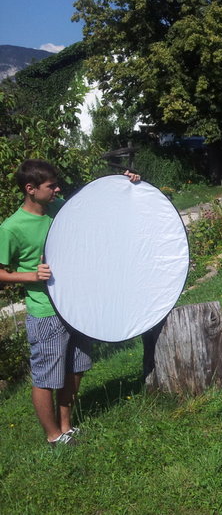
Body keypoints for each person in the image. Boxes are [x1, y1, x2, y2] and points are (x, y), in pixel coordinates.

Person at [0, 159, 141, 447]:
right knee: (46, 377)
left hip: (76, 307)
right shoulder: (12, 228)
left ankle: (66, 426)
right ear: (31, 189)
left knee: (77, 367)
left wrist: (126, 184)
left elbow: (93, 204)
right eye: (51, 186)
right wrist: (30, 275)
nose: (57, 189)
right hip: (46, 313)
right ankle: (53, 436)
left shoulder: (58, 208)